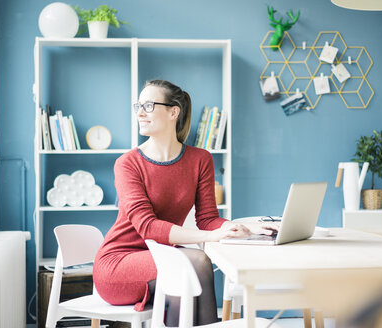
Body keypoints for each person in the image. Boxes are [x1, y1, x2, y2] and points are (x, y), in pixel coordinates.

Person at [93, 79, 279, 326]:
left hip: (162, 257)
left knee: (189, 265)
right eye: (139, 105)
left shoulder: (200, 159)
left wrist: (246, 228)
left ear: (173, 112)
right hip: (119, 263)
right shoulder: (128, 163)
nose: (139, 112)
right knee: (193, 261)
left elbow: (208, 219)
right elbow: (148, 227)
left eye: (148, 105)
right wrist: (211, 237)